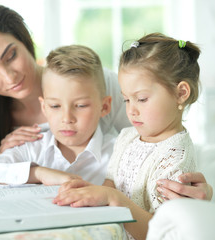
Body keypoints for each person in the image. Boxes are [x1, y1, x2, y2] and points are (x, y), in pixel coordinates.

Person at [0, 2, 212, 200]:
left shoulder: (94, 84)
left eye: (10, 56)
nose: (8, 76)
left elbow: (163, 145)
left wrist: (201, 189)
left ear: (26, 41)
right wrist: (31, 170)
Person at [53, 33, 200, 240]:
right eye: (126, 100)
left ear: (181, 93)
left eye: (141, 99)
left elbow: (162, 231)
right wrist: (91, 192)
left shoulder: (175, 157)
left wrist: (114, 198)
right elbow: (111, 183)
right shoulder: (127, 136)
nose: (131, 110)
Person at [0, 45, 115, 190]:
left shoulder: (121, 152)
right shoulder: (30, 149)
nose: (67, 118)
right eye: (55, 106)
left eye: (80, 106)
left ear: (105, 107)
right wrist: (38, 173)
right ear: (44, 107)